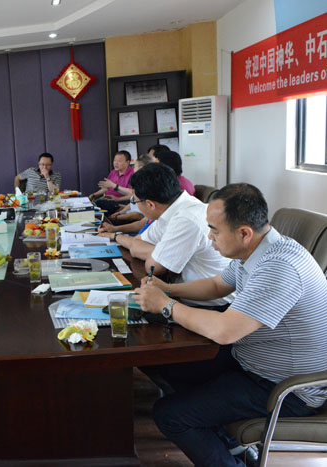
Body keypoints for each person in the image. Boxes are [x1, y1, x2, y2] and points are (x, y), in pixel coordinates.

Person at [133, 183, 327, 467]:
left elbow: (225, 331)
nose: (209, 237)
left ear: (244, 233)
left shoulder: (279, 267)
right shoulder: (258, 249)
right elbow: (217, 285)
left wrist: (166, 305)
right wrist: (168, 290)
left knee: (170, 415)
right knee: (165, 362)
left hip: (285, 389)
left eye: (214, 230)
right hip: (251, 360)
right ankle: (226, 441)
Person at [116, 163, 231, 307]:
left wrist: (161, 254)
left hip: (207, 306)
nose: (135, 204)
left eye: (135, 200)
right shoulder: (170, 209)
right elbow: (136, 243)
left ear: (150, 204)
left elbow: (153, 267)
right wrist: (162, 251)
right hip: (180, 293)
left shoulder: (186, 219)